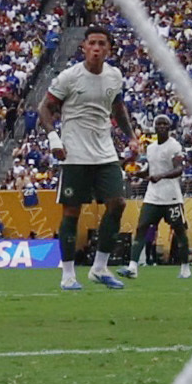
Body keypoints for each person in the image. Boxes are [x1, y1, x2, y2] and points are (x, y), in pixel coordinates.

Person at [41, 25, 134, 292]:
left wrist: (131, 137)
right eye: (91, 42)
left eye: (101, 43)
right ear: (83, 46)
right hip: (74, 154)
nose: (96, 48)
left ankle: (99, 267)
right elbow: (44, 107)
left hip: (105, 152)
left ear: (109, 49)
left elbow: (118, 108)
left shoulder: (115, 76)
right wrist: (53, 138)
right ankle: (68, 275)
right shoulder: (69, 77)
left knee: (117, 204)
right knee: (72, 212)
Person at [137, 125, 192, 277]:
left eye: (164, 124)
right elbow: (151, 169)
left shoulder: (174, 145)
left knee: (180, 230)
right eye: (158, 124)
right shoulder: (150, 148)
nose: (161, 127)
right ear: (154, 128)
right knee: (141, 226)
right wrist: (139, 174)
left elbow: (179, 169)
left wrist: (161, 176)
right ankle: (132, 266)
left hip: (171, 196)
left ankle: (185, 267)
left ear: (169, 128)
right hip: (153, 195)